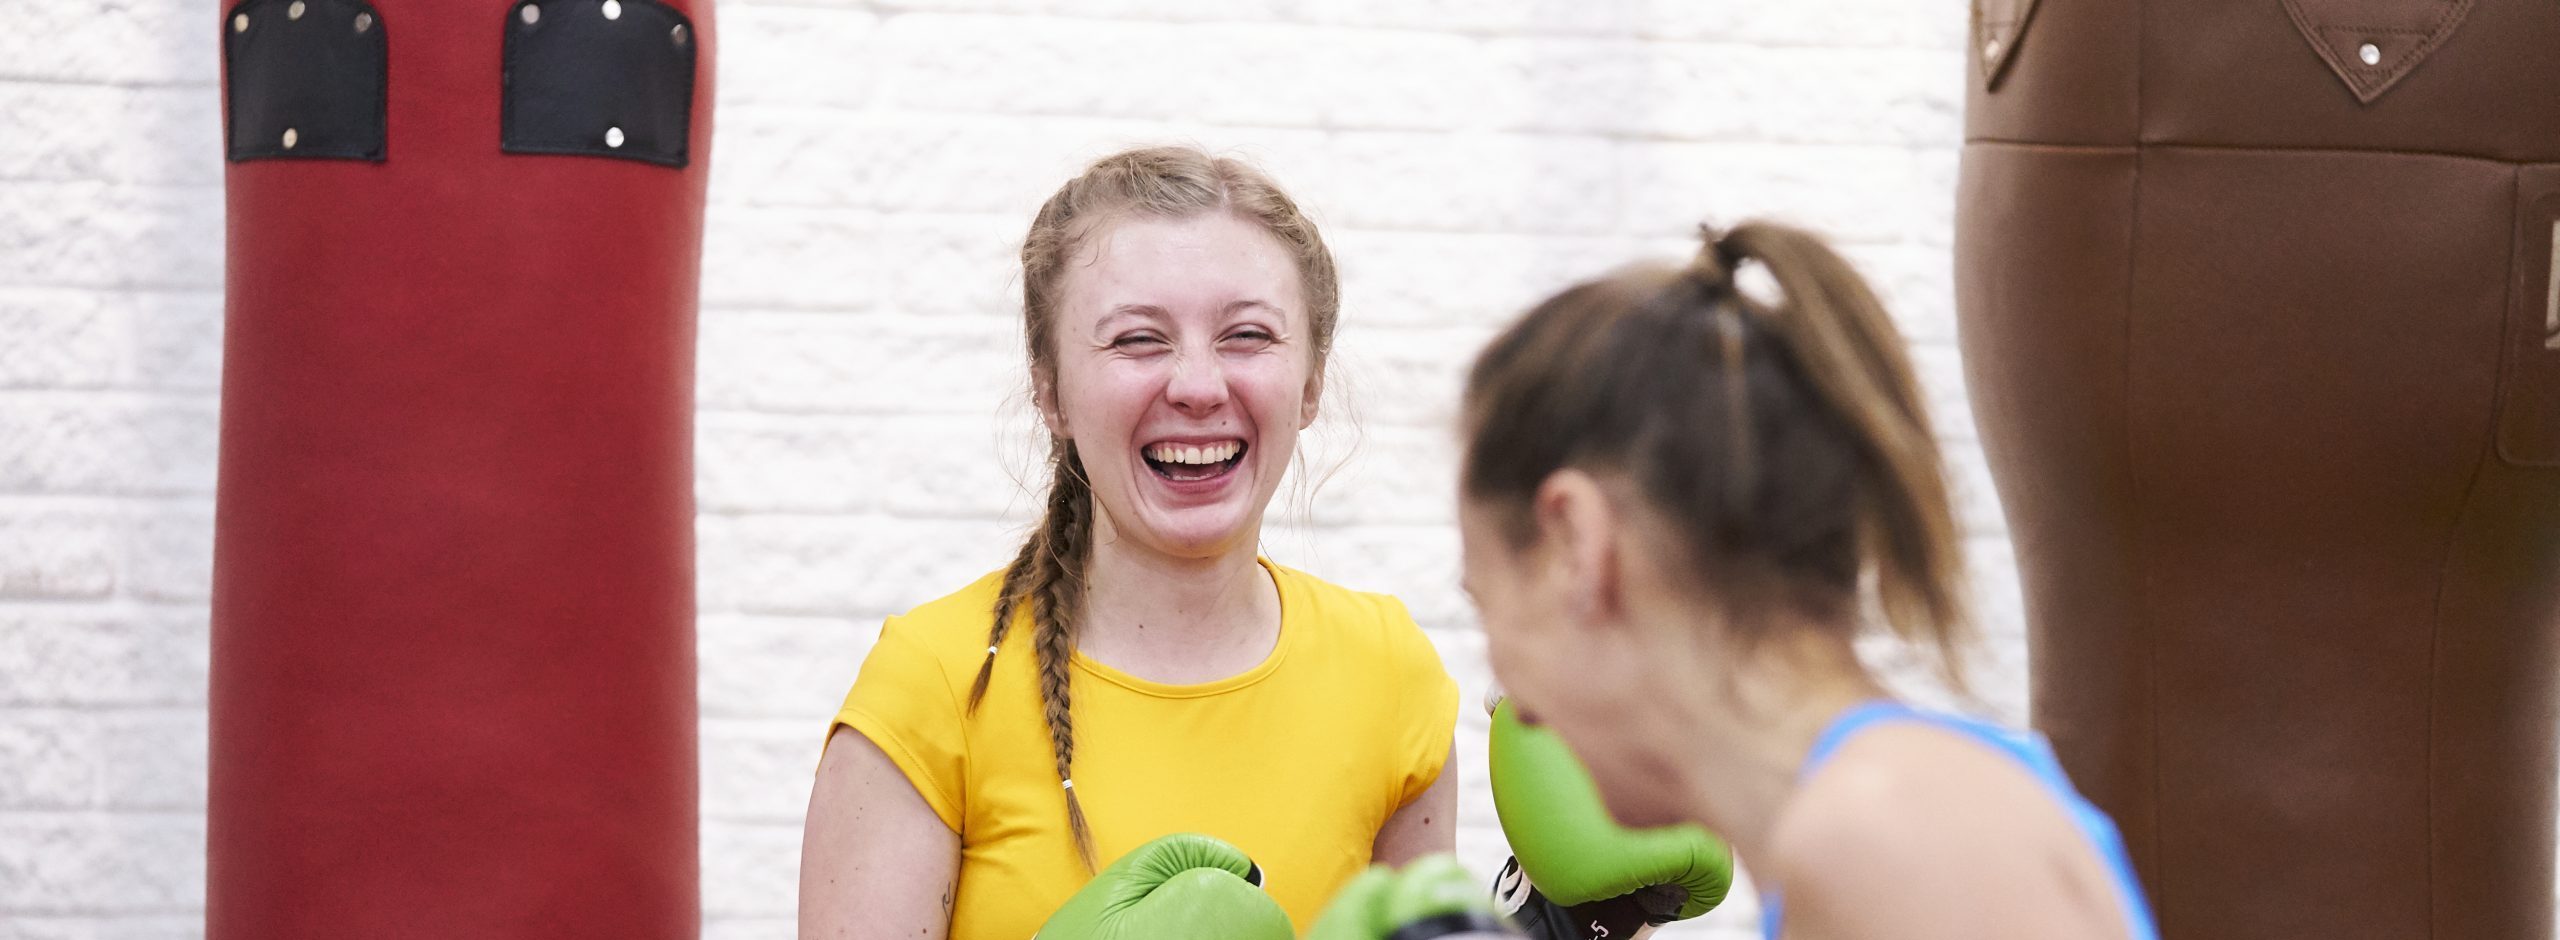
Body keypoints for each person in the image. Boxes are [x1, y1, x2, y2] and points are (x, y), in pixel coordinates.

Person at [797, 145, 1460, 940]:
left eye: (1247, 335)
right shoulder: (937, 684)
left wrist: (1584, 921)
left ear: (1311, 382)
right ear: (1051, 391)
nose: (1198, 385)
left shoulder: (1390, 675)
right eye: (1138, 340)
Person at [1452, 221, 2161, 940]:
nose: (1502, 692)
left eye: (1487, 603)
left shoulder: (1885, 838)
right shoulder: (1885, 817)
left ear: (1578, 544)